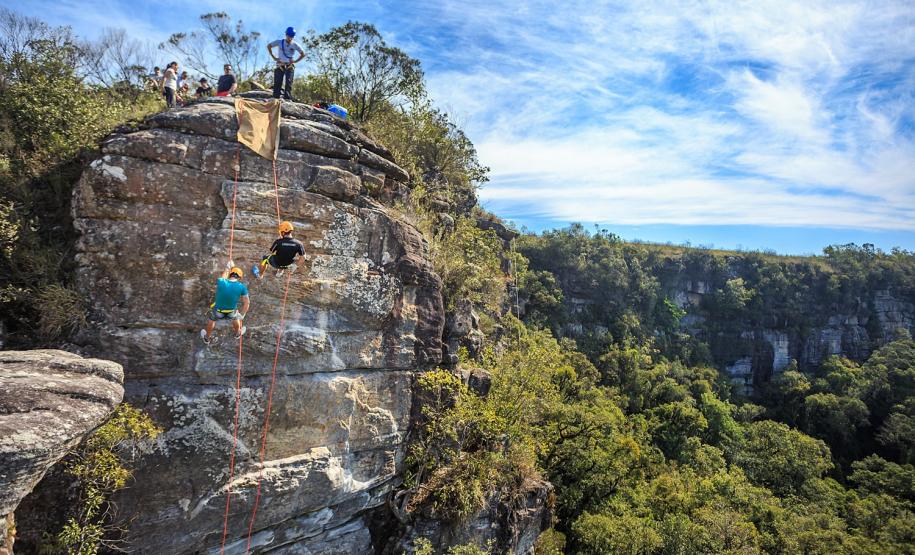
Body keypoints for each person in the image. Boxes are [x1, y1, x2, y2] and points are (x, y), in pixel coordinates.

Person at [201, 263, 249, 344]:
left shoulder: (221, 281)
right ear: (239, 277)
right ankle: (238, 333)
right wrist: (242, 315)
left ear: (230, 275)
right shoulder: (242, 287)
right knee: (236, 317)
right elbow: (247, 302)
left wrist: (228, 266)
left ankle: (207, 338)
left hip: (218, 311)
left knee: (212, 320)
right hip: (231, 312)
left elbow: (224, 275)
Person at [266, 27, 305, 100]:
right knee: (277, 82)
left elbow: (303, 54)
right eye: (288, 36)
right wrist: (274, 57)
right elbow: (269, 46)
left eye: (291, 37)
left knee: (288, 83)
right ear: (286, 34)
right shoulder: (279, 42)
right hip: (280, 65)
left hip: (289, 66)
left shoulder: (295, 45)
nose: (290, 38)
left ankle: (287, 99)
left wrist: (295, 61)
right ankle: (275, 98)